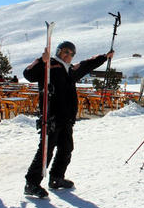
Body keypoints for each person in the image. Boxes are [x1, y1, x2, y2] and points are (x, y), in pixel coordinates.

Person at [23, 41, 114, 198]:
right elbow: (29, 75)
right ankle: (31, 184)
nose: (68, 56)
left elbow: (86, 65)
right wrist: (41, 60)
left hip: (66, 118)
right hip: (51, 117)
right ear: (58, 51)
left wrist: (104, 57)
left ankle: (57, 178)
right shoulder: (49, 65)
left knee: (66, 149)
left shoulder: (70, 70)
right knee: (46, 151)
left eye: (72, 54)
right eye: (66, 52)